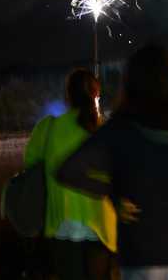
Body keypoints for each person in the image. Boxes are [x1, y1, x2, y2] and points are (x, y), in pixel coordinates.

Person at [57, 44, 168, 280]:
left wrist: (111, 192)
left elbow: (68, 171)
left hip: (141, 254)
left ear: (131, 83)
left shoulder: (119, 129)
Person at [24, 69, 118, 280]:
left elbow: (29, 163)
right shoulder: (105, 130)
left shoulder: (47, 128)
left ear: (67, 96)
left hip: (61, 223)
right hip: (101, 224)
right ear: (96, 96)